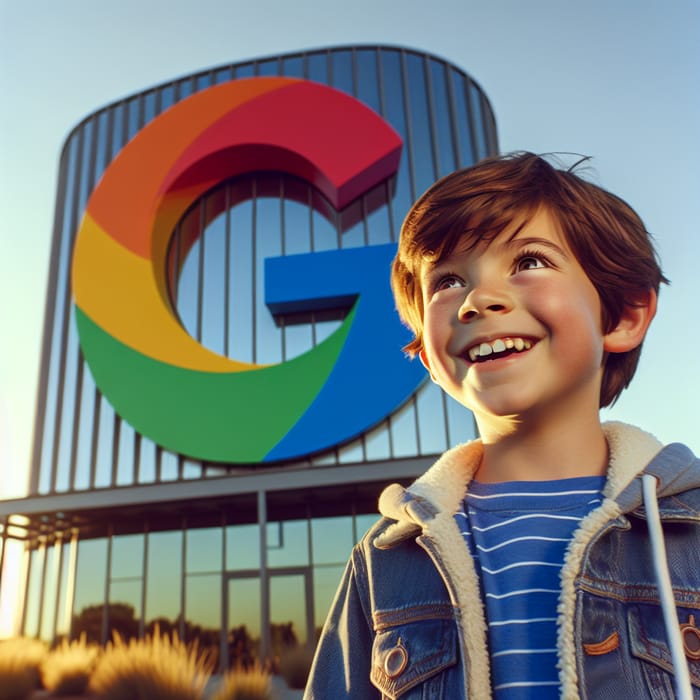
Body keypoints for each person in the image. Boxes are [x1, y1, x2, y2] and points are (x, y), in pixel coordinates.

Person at [303, 152, 700, 699]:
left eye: (530, 261)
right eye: (446, 281)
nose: (477, 300)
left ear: (624, 315)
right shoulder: (388, 554)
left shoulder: (690, 528)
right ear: (426, 356)